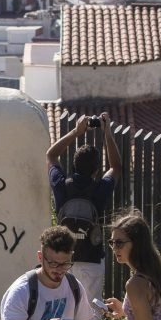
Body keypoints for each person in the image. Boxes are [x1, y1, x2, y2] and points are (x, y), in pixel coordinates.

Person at [46, 113, 120, 307]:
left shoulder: (61, 185)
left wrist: (76, 132)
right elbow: (116, 167)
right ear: (96, 170)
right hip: (92, 258)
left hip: (63, 257)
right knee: (91, 310)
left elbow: (51, 155)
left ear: (73, 165)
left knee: (63, 308)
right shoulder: (100, 189)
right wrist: (107, 132)